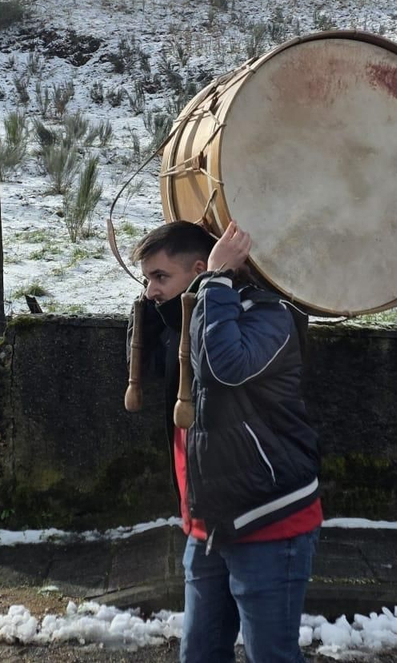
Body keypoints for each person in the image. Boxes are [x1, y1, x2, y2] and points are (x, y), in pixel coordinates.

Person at [129, 219, 321, 663]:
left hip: (270, 520)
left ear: (201, 270)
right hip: (209, 522)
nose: (150, 289)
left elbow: (222, 370)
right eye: (146, 279)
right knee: (200, 653)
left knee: (270, 656)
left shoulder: (269, 316)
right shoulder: (190, 319)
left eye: (160, 277)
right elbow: (156, 369)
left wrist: (215, 283)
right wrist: (155, 309)